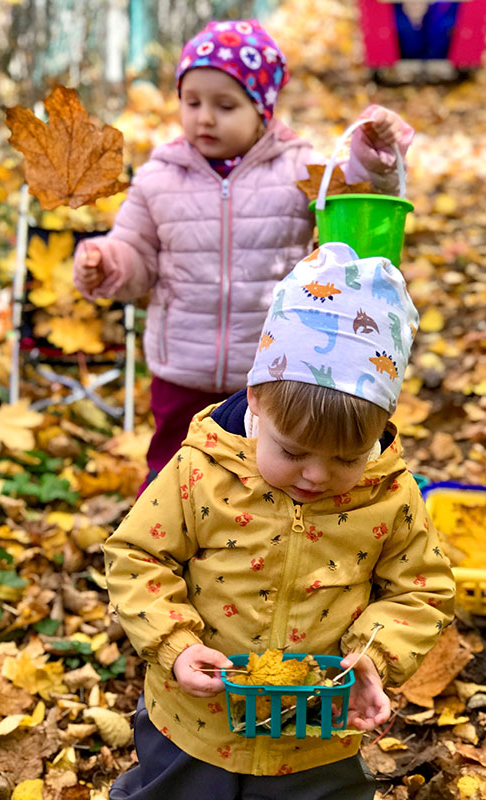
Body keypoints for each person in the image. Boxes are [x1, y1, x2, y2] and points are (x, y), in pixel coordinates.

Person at [103, 242, 455, 800]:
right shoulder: (201, 471)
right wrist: (175, 644)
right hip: (198, 718)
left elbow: (423, 588)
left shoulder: (391, 495)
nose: (316, 477)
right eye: (292, 453)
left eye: (346, 459)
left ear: (383, 425)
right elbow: (138, 554)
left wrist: (372, 658)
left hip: (316, 727)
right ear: (257, 403)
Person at [74, 19, 415, 491]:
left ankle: (247, 554)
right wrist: (109, 261)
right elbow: (136, 252)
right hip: (183, 366)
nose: (204, 118)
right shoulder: (159, 176)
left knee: (261, 473)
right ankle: (164, 542)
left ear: (263, 110)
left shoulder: (298, 167)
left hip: (277, 369)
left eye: (225, 105)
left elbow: (349, 204)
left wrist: (371, 160)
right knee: (174, 470)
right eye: (191, 102)